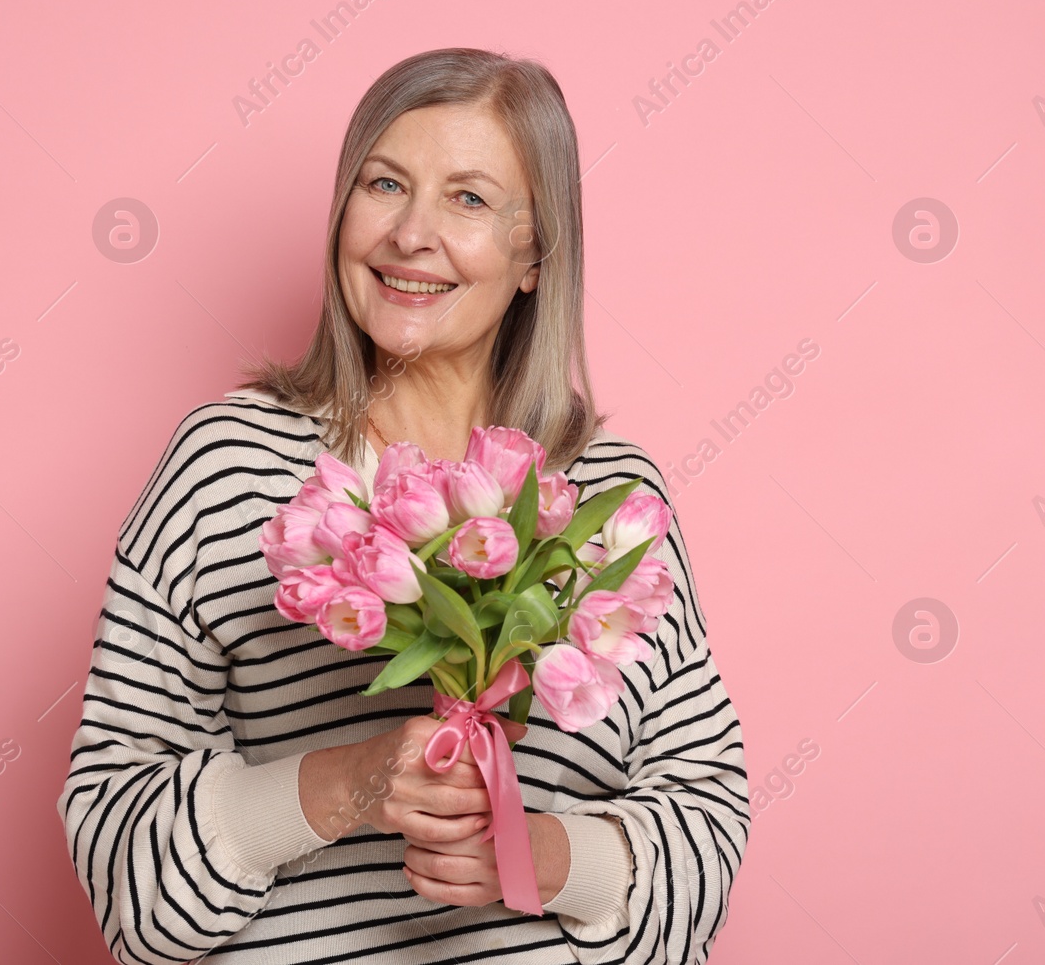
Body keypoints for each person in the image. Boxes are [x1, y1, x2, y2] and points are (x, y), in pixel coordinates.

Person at [57, 47, 749, 964]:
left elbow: (708, 811)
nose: (409, 235)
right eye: (385, 184)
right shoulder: (224, 468)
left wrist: (545, 857)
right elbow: (120, 863)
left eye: (467, 199)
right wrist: (346, 783)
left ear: (535, 252)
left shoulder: (610, 501)